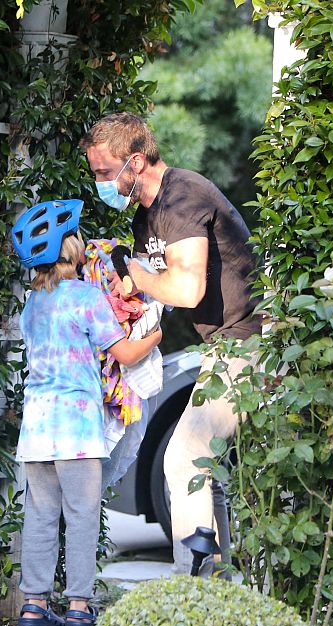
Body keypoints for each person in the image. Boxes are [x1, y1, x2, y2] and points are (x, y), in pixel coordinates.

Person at [80, 112, 262, 577]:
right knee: (202, 468)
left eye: (105, 172)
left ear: (136, 162)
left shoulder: (183, 197)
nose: (101, 183)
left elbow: (186, 290)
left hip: (253, 340)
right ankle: (217, 588)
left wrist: (137, 275)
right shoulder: (147, 217)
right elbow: (152, 292)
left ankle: (191, 590)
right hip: (223, 344)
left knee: (184, 456)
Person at [11, 199, 162, 626]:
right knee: (81, 514)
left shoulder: (32, 303)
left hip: (37, 430)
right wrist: (154, 334)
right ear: (69, 248)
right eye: (77, 237)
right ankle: (78, 606)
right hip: (77, 429)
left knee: (41, 515)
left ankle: (34, 605)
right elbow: (126, 353)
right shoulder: (86, 298)